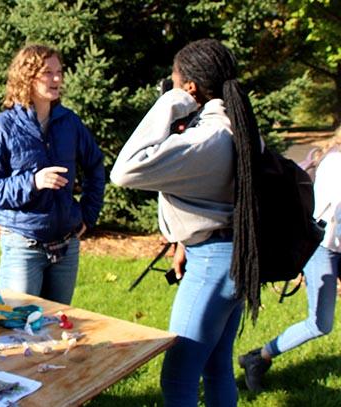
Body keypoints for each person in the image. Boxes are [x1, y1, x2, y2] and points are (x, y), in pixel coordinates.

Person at [110, 38, 265, 406]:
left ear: (190, 87)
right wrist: (182, 243)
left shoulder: (205, 140)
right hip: (234, 255)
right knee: (216, 367)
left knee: (178, 379)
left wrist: (170, 102)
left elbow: (124, 171)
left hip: (212, 264)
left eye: (176, 81)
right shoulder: (239, 129)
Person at [0, 44, 105, 305]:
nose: (57, 79)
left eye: (59, 71)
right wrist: (33, 182)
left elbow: (95, 166)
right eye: (47, 72)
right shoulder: (2, 126)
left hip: (67, 245)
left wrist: (88, 216)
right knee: (18, 325)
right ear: (27, 77)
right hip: (23, 246)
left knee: (56, 326)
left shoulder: (70, 122)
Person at [238, 126, 341, 392]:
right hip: (324, 247)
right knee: (320, 323)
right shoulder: (335, 162)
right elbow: (333, 215)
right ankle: (258, 358)